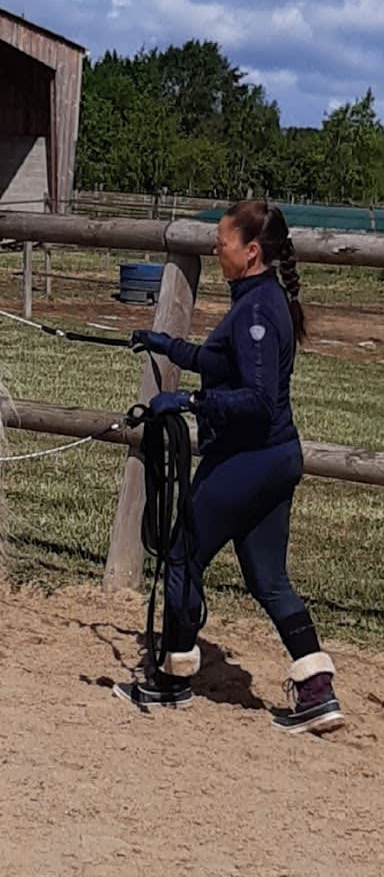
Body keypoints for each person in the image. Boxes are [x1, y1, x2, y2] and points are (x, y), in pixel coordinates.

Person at [115, 200, 345, 735]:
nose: (216, 250)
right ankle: (316, 689)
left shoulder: (260, 309)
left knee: (181, 554)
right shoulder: (259, 301)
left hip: (248, 458)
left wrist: (191, 405)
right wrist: (166, 345)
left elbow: (258, 398)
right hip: (275, 458)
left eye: (223, 242)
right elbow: (224, 361)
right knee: (268, 578)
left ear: (251, 250)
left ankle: (172, 678)